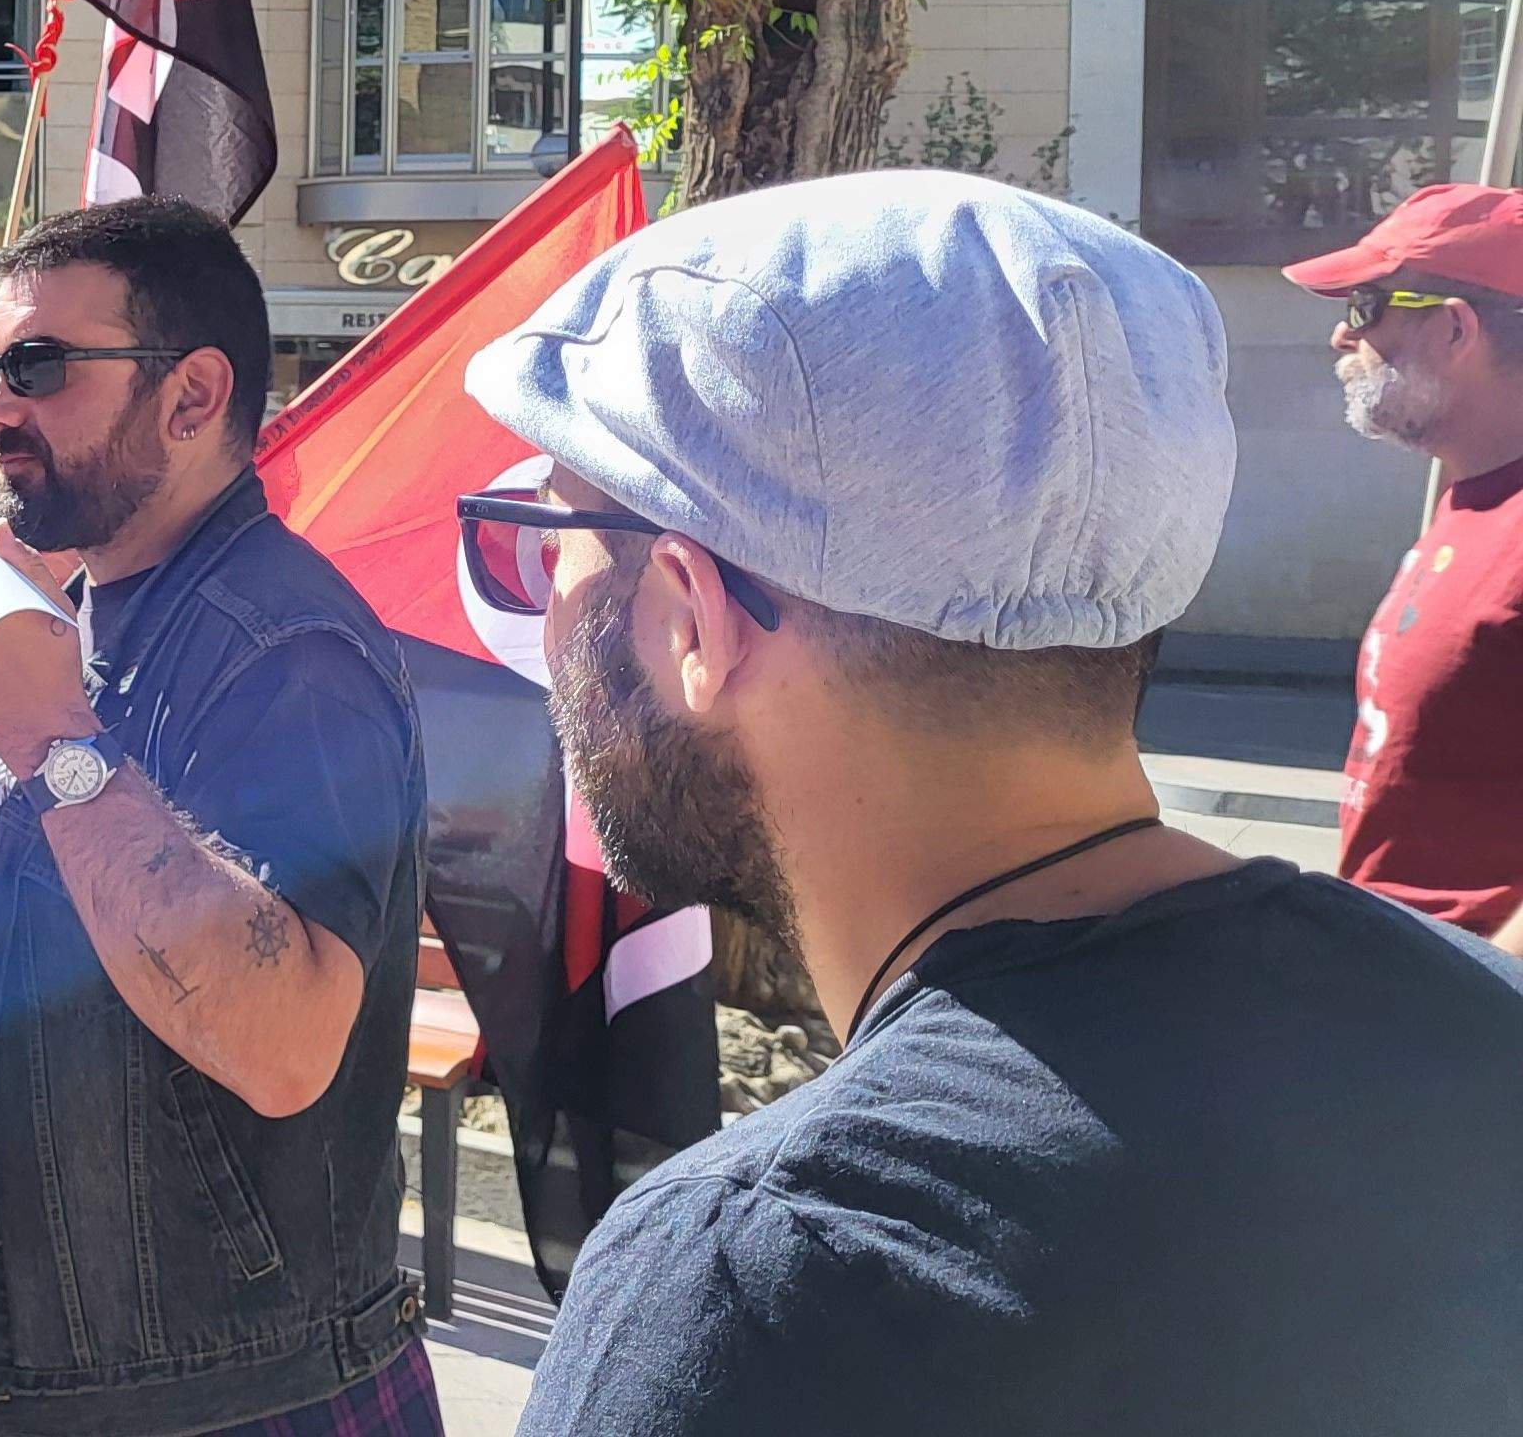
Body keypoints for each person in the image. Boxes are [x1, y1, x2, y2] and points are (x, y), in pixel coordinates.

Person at [460, 174, 1523, 1435]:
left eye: (540, 541)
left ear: (689, 615)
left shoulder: (763, 1285)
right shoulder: (1482, 1026)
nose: (540, 607)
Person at [0, 201, 437, 1433]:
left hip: (231, 1405)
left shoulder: (289, 653)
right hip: (45, 1387)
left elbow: (280, 1041)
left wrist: (55, 745)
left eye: (38, 367)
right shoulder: (72, 615)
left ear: (192, 394)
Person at [1280, 184, 1523, 953]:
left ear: (1456, 327)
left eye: (1366, 306)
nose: (1341, 338)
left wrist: (1479, 1010)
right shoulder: (1473, 500)